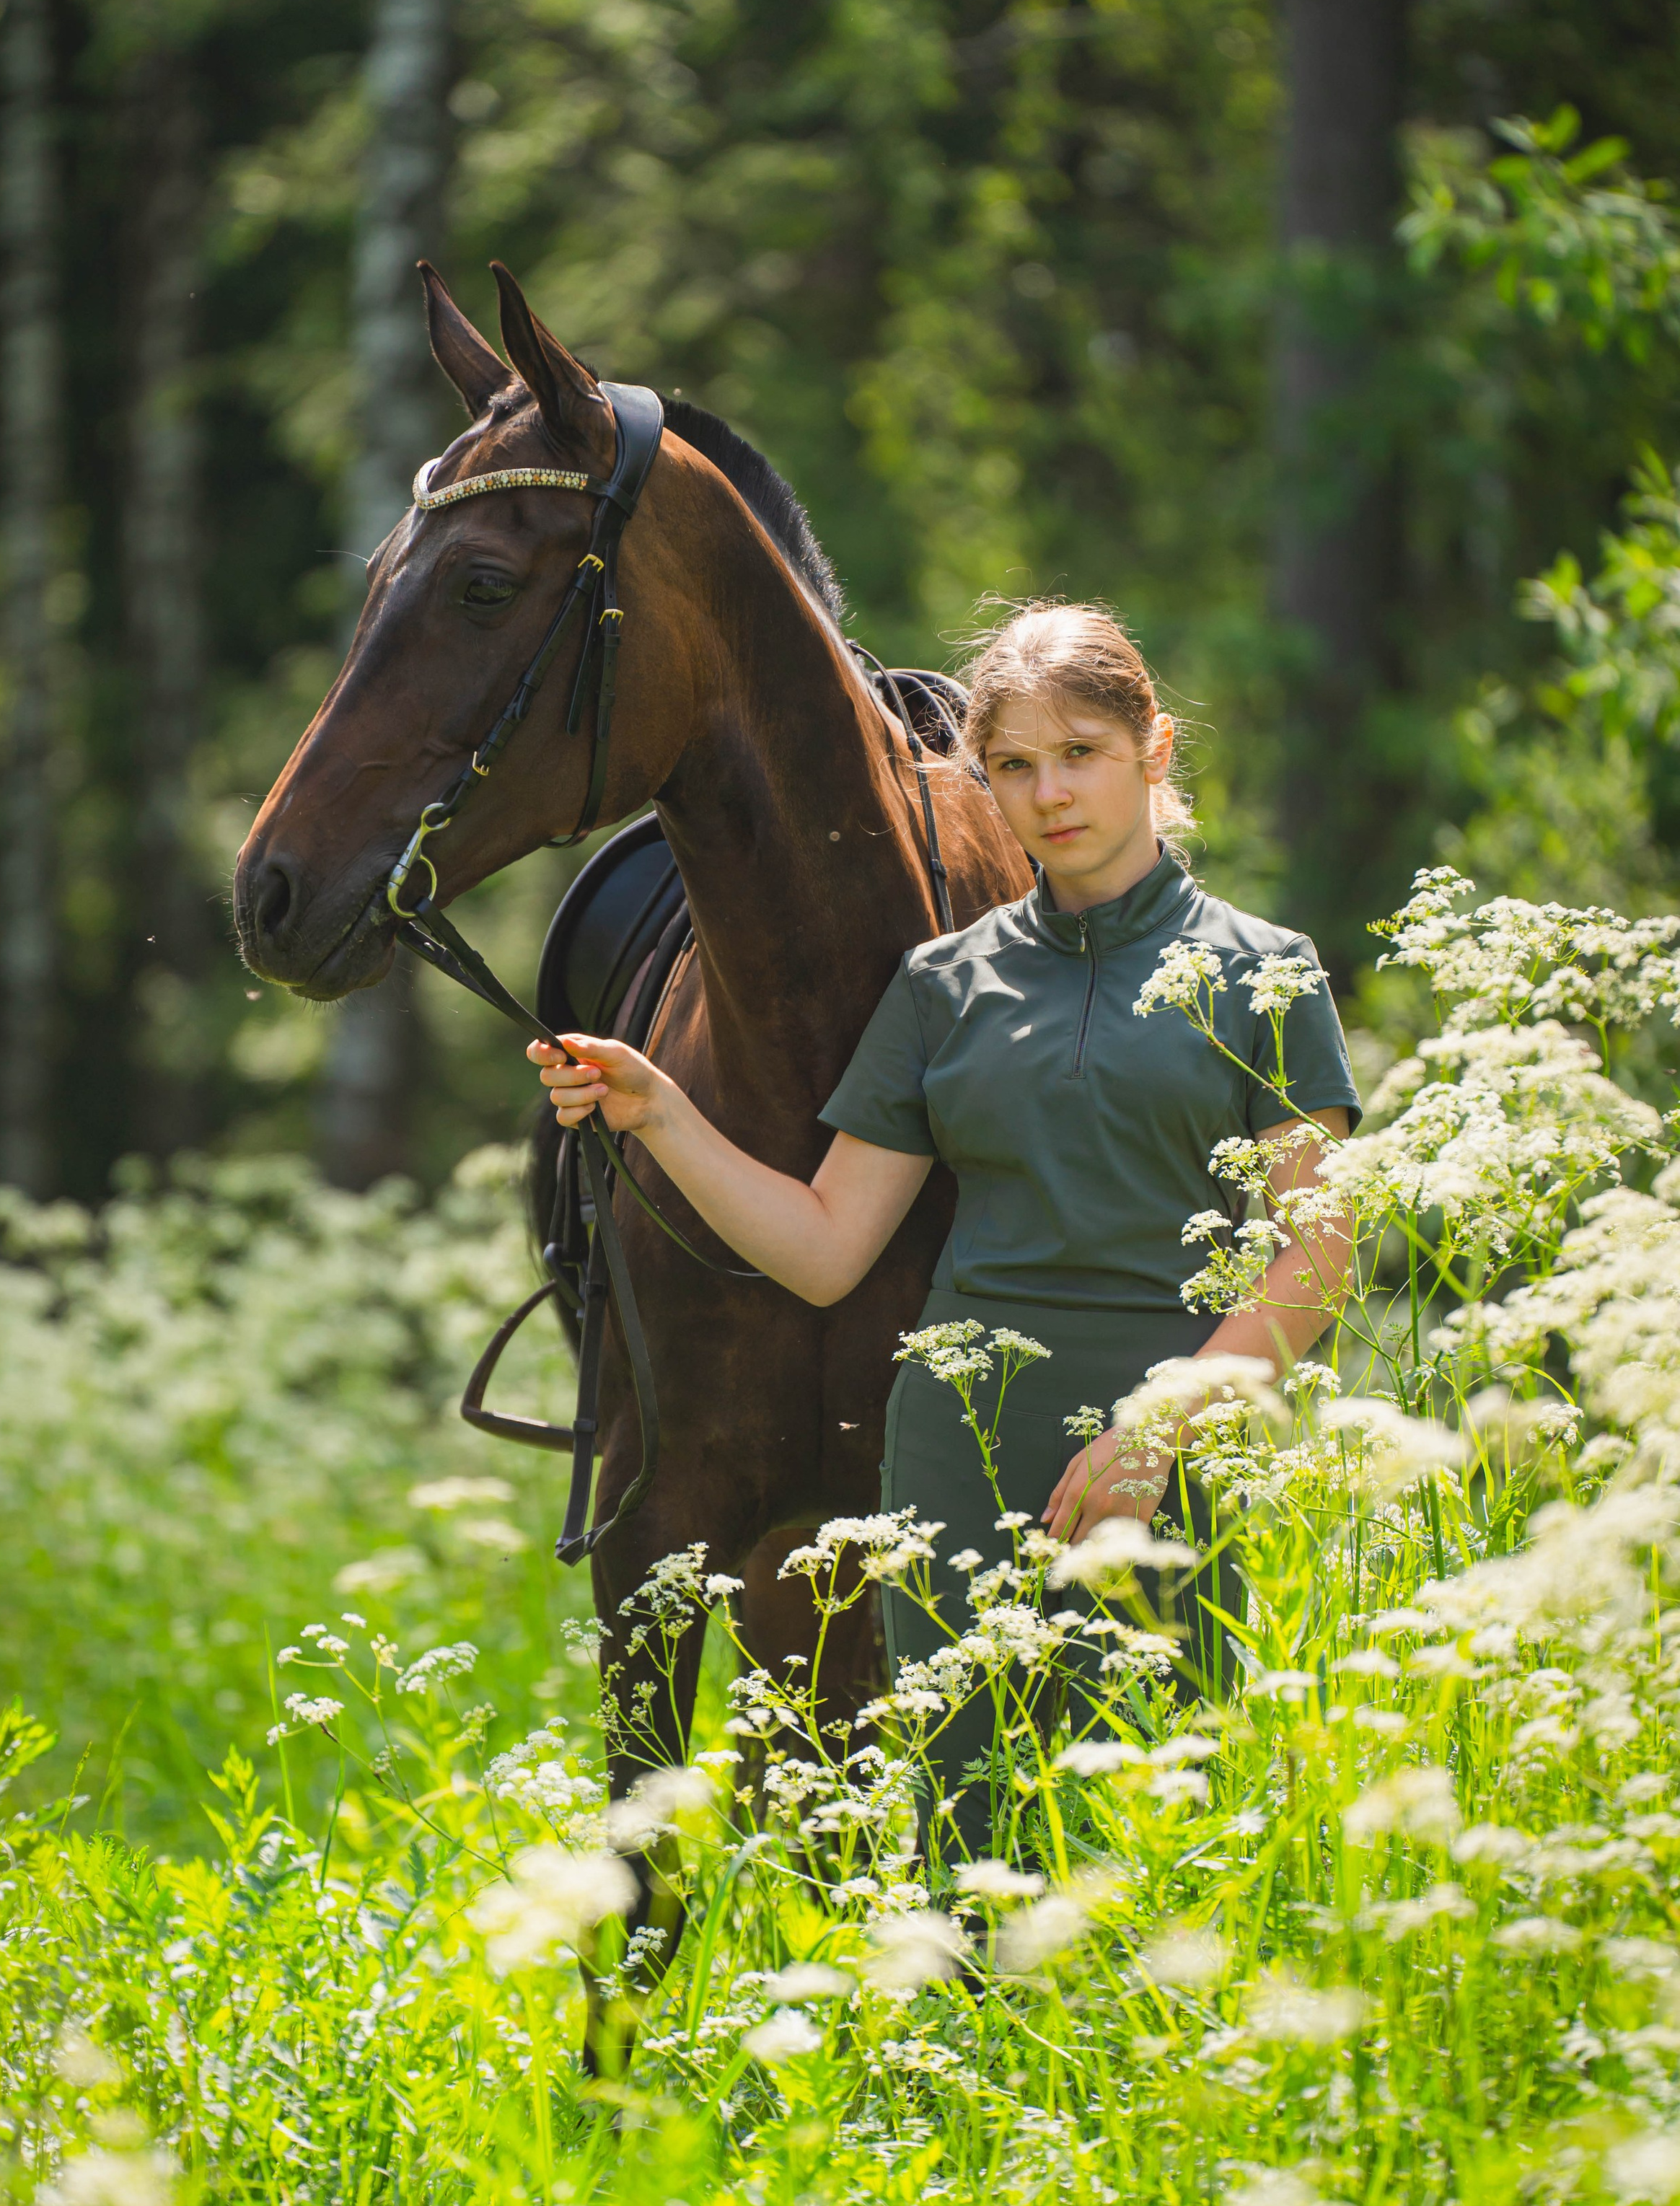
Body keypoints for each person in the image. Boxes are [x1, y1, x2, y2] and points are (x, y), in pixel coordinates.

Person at [529, 601, 1359, 1858]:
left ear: (1157, 751)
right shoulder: (944, 986)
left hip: (1160, 1455)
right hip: (952, 1459)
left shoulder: (1265, 972)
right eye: (1014, 766)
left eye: (1080, 752)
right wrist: (662, 1113)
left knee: (1159, 1843)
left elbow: (1322, 1253)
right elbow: (823, 1244)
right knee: (967, 1863)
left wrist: (1164, 1428)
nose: (1049, 794)